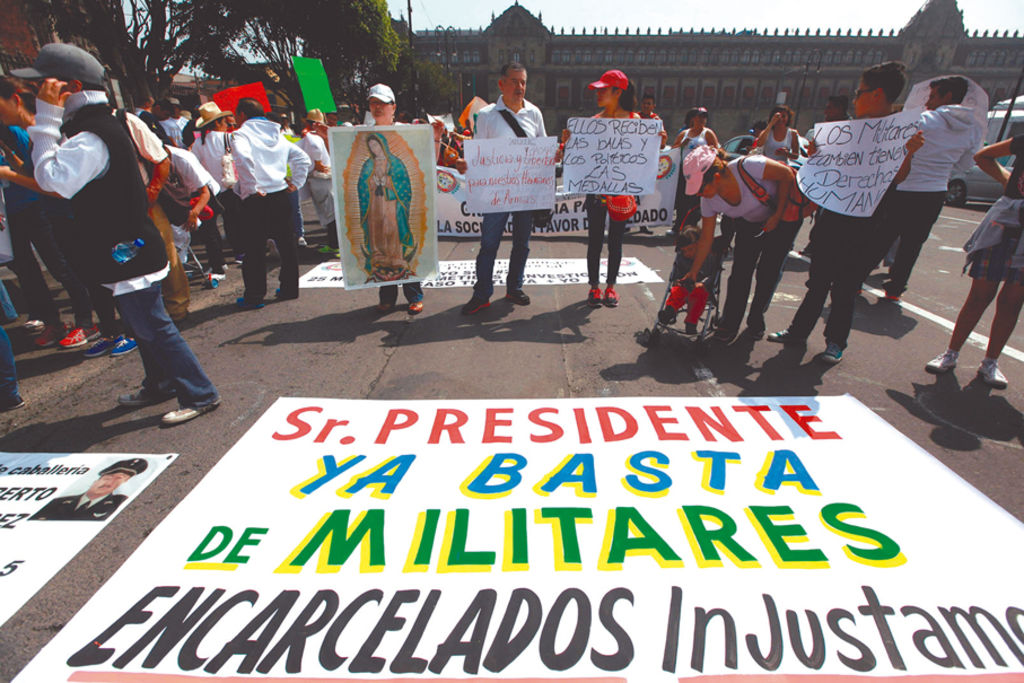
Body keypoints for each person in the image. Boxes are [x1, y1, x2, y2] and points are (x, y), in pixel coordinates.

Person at [18, 42, 220, 425]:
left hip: (129, 252)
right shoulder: (100, 126)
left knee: (153, 326)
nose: (38, 90)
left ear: (71, 87)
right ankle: (160, 383)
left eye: (45, 84)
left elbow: (52, 180)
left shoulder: (91, 135)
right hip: (128, 247)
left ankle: (200, 392)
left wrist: (45, 119)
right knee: (142, 325)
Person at [767, 61, 924, 364]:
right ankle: (798, 331)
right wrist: (817, 155)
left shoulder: (899, 131)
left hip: (868, 221)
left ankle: (836, 341)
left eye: (859, 92)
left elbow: (899, 178)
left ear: (877, 94)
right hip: (834, 215)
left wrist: (908, 153)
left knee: (846, 286)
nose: (855, 98)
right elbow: (826, 169)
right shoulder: (847, 131)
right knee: (817, 281)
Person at [866, 76, 983, 301]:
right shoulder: (972, 128)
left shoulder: (924, 120)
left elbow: (891, 146)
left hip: (905, 187)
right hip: (936, 191)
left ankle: (856, 279)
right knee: (912, 244)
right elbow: (965, 163)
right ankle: (895, 288)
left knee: (882, 236)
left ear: (947, 96)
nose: (928, 102)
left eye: (933, 96)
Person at [924, 135, 1024, 388]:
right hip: (1004, 224)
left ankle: (990, 362)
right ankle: (951, 353)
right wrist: (1006, 179)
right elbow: (983, 156)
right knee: (980, 295)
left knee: (1012, 301)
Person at [682, 145, 799, 341]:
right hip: (749, 222)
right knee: (740, 273)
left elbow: (787, 175)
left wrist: (777, 214)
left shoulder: (750, 166)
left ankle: (756, 320)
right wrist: (693, 271)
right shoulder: (708, 201)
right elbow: (706, 239)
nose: (699, 195)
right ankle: (729, 324)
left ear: (716, 177)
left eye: (701, 189)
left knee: (768, 273)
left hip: (782, 218)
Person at [459, 63, 549, 315]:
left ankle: (514, 288)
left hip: (526, 192)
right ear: (501, 84)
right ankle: (482, 294)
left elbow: (542, 148)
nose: (520, 87)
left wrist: (554, 154)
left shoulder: (534, 113)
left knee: (522, 243)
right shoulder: (487, 115)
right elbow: (478, 153)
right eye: (514, 81)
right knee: (489, 244)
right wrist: (466, 164)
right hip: (496, 193)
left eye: (523, 82)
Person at [563, 69, 655, 307]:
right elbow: (582, 158)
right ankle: (594, 287)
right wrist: (570, 143)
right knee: (594, 241)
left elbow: (644, 158)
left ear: (618, 92)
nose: (598, 94)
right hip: (596, 191)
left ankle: (611, 287)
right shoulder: (592, 123)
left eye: (603, 90)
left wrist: (658, 142)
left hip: (622, 192)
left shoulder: (637, 122)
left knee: (616, 241)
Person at [360, 83, 443, 315]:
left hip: (394, 204)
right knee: (380, 244)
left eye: (382, 103)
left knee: (396, 243)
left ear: (393, 107)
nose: (377, 108)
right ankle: (387, 296)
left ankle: (414, 295)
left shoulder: (408, 133)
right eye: (373, 103)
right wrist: (329, 140)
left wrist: (436, 138)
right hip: (376, 204)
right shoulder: (360, 134)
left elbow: (426, 163)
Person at [231, 97, 310, 309]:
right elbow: (302, 159)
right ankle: (289, 289)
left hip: (257, 197)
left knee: (254, 248)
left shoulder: (241, 134)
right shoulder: (277, 134)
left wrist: (251, 187)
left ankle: (255, 296)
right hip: (280, 194)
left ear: (241, 115)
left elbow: (243, 159)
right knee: (287, 245)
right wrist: (296, 182)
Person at [190, 101, 244, 268]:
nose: (227, 124)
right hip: (230, 186)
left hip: (209, 189)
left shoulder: (199, 143)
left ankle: (218, 261)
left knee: (211, 228)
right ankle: (239, 252)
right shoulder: (229, 138)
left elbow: (195, 165)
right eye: (224, 121)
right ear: (218, 122)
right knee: (233, 221)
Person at [31, 458, 148, 521]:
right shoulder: (58, 502)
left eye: (118, 479)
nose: (109, 483)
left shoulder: (118, 503)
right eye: (107, 478)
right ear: (96, 481)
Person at [658, 225, 718, 334]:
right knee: (677, 291)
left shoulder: (708, 256)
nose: (687, 254)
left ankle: (691, 322)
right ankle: (669, 312)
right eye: (684, 251)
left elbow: (713, 274)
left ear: (699, 245)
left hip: (701, 288)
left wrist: (703, 284)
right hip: (685, 286)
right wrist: (676, 280)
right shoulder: (682, 257)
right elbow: (677, 271)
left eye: (690, 250)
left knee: (699, 295)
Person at [671, 107, 719, 232]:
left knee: (695, 202)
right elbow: (673, 149)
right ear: (693, 118)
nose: (702, 119)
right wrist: (682, 144)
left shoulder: (707, 133)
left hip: (700, 174)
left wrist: (707, 149)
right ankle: (678, 226)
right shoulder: (684, 134)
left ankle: (691, 227)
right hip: (684, 172)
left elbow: (717, 149)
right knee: (681, 200)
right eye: (699, 117)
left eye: (704, 117)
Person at [297, 109, 337, 254]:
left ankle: (335, 244)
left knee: (330, 214)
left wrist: (317, 161)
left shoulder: (312, 136)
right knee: (331, 213)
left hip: (321, 179)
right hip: (324, 178)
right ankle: (334, 243)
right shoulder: (322, 136)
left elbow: (315, 149)